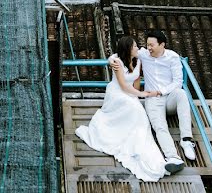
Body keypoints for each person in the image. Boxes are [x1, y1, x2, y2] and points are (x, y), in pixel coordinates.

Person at [75, 36, 182, 180]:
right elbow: (123, 85)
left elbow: (136, 81)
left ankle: (157, 161)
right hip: (117, 93)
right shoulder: (117, 62)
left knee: (140, 116)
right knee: (135, 110)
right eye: (135, 47)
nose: (139, 48)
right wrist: (142, 94)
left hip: (131, 94)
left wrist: (137, 97)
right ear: (128, 49)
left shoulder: (138, 59)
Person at [112, 29, 196, 172]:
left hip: (169, 97)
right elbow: (122, 51)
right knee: (160, 126)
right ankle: (173, 157)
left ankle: (186, 140)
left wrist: (160, 91)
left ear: (162, 44)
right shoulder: (144, 54)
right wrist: (112, 61)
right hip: (152, 99)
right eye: (147, 45)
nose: (148, 48)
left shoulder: (173, 57)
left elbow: (178, 81)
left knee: (181, 93)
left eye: (152, 45)